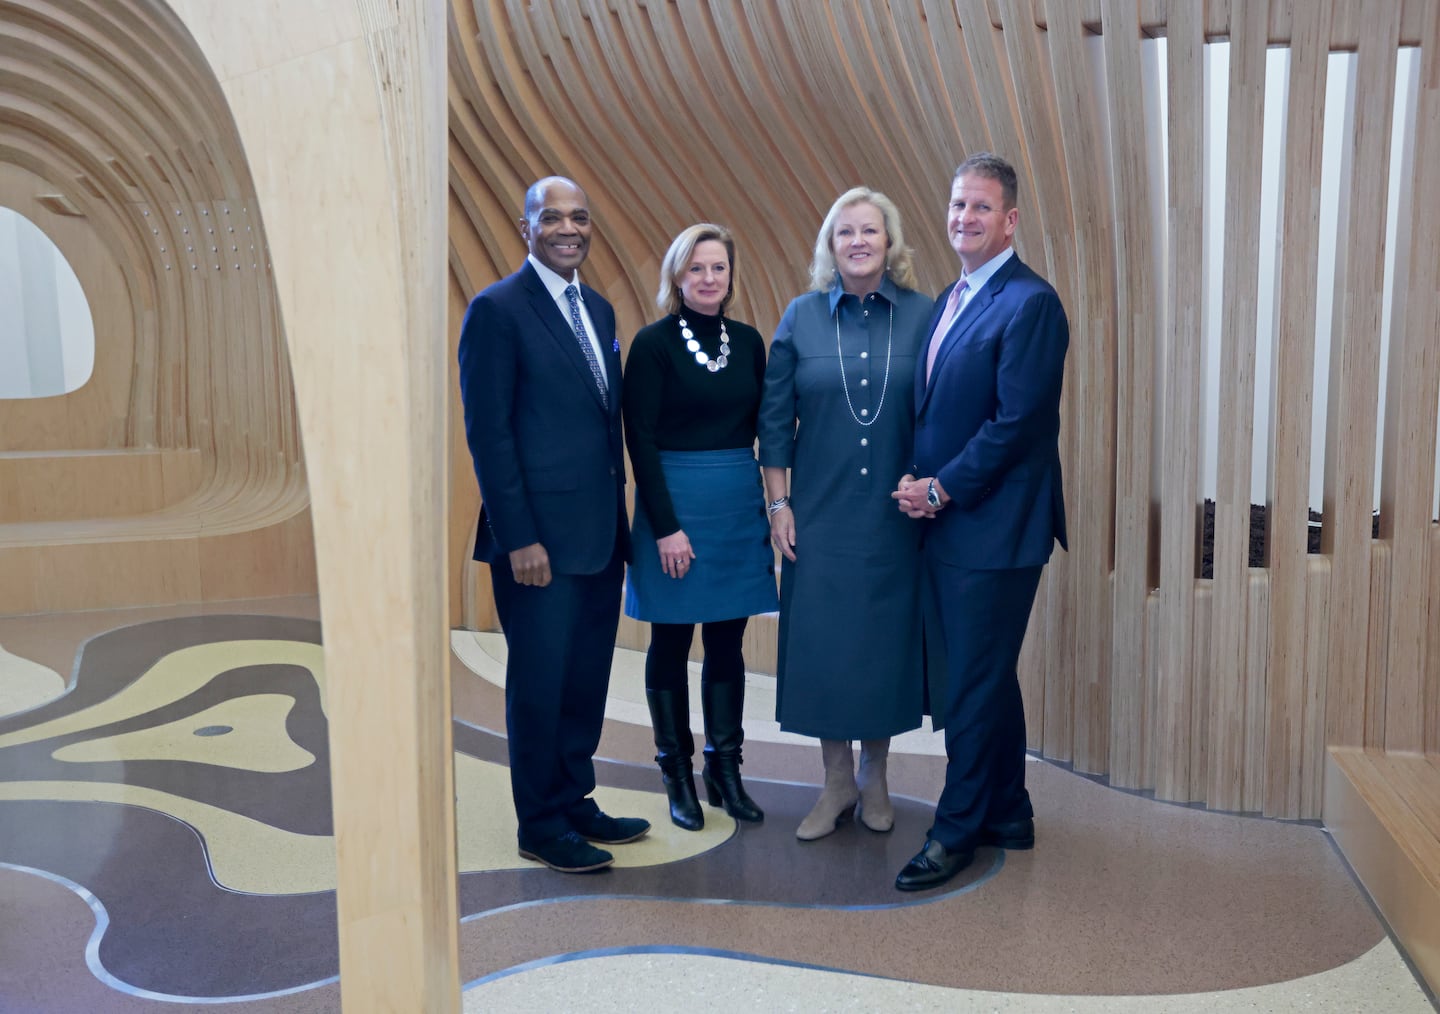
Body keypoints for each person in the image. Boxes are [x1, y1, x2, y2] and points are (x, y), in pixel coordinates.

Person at [458, 176, 649, 874]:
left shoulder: (597, 311)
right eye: (552, 217)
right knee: (539, 686)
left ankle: (574, 799)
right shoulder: (496, 310)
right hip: (537, 544)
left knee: (584, 680)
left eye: (579, 217)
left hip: (599, 536)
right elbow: (490, 435)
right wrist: (520, 537)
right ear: (525, 225)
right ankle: (539, 823)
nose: (568, 228)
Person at [891, 152, 1069, 891]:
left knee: (970, 680)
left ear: (1011, 220)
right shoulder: (952, 296)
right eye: (958, 204)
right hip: (954, 522)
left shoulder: (1031, 304)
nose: (965, 218)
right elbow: (936, 408)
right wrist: (916, 480)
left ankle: (954, 829)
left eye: (981, 208)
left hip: (995, 528)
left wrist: (939, 491)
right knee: (988, 675)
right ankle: (1008, 809)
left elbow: (1017, 424)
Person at [758, 187, 933, 841]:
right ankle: (834, 783)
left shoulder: (925, 315)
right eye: (844, 232)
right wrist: (779, 504)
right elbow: (774, 423)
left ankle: (876, 778)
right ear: (830, 248)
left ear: (891, 243)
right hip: (820, 518)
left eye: (870, 230)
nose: (858, 241)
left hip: (898, 519)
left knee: (883, 649)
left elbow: (946, 409)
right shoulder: (801, 317)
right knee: (827, 649)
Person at [622, 224, 778, 831]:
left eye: (718, 268)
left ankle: (725, 771)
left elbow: (763, 428)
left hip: (736, 506)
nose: (709, 279)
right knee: (669, 642)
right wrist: (666, 528)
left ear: (729, 276)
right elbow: (642, 438)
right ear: (677, 277)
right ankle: (676, 775)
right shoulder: (654, 344)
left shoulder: (748, 342)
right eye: (696, 270)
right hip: (675, 508)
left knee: (726, 643)